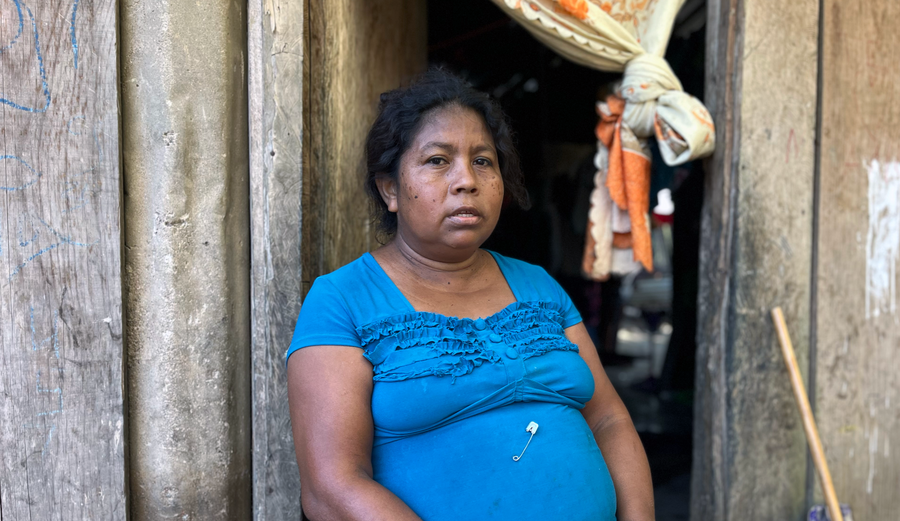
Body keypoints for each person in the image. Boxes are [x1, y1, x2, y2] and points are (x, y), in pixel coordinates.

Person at [286, 69, 654, 521]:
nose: (467, 180)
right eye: (438, 160)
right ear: (390, 189)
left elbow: (609, 419)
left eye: (483, 161)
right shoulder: (343, 300)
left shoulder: (538, 285)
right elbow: (332, 487)